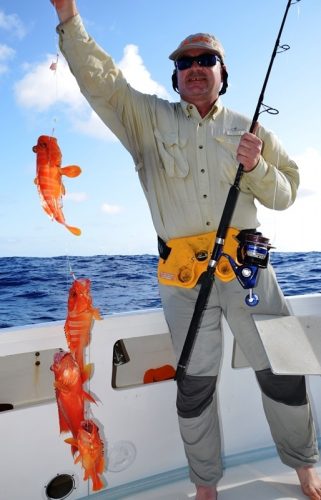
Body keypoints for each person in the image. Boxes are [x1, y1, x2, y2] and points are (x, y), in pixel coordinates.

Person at [50, 2, 321, 499]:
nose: (195, 66)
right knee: (194, 385)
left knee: (285, 366)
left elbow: (286, 193)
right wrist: (68, 15)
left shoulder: (251, 127)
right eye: (184, 62)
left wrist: (258, 166)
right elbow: (102, 80)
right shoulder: (145, 120)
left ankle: (306, 466)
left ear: (223, 74)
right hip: (182, 281)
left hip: (250, 272)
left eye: (206, 59)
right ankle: (204, 484)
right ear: (175, 78)